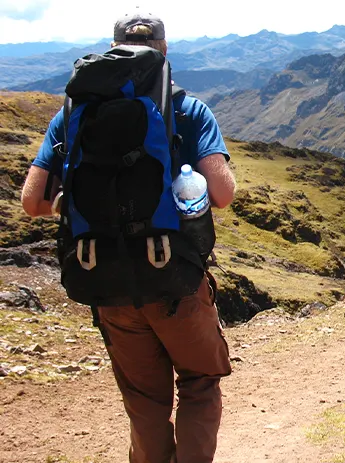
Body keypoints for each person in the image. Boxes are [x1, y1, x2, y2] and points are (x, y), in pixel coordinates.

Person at [20, 11, 236, 462]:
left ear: (114, 47)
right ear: (163, 50)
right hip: (175, 277)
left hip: (105, 279)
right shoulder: (187, 109)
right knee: (199, 382)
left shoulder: (75, 113)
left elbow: (33, 201)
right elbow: (221, 194)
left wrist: (77, 205)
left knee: (145, 401)